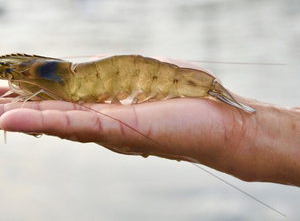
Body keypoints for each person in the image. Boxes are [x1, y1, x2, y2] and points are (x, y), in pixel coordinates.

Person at [0, 65, 299, 188]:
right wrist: (256, 129)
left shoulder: (57, 82)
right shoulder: (47, 76)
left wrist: (247, 130)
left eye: (13, 74)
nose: (11, 78)